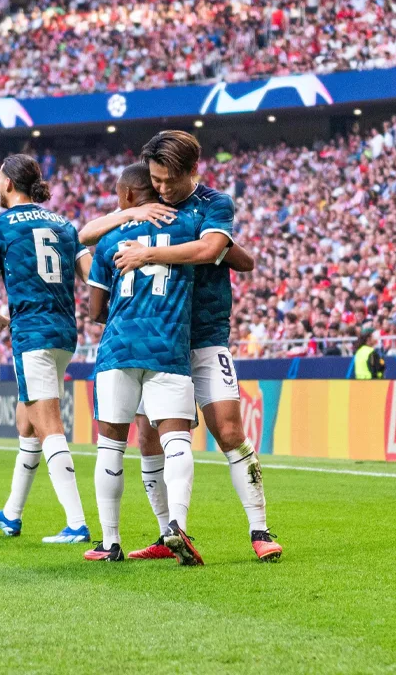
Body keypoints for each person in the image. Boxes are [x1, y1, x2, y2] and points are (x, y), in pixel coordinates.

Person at [112, 131, 281, 562]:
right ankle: (166, 534)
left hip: (205, 336)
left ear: (193, 171)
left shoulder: (214, 204)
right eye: (155, 180)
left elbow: (212, 249)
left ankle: (260, 530)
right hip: (160, 341)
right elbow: (234, 257)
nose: (163, 189)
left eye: (170, 180)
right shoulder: (152, 204)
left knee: (228, 430)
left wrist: (152, 254)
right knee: (149, 438)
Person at [82, 161, 209, 566]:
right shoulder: (189, 230)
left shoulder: (110, 241)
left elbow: (95, 309)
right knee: (176, 441)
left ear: (130, 196)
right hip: (169, 346)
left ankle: (110, 541)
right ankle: (178, 526)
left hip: (119, 348)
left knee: (111, 446)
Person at [0, 154, 92, 545]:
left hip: (33, 333)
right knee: (26, 422)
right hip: (64, 330)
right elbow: (91, 276)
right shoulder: (64, 225)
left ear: (10, 183)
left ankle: (76, 523)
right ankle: (11, 514)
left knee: (47, 426)